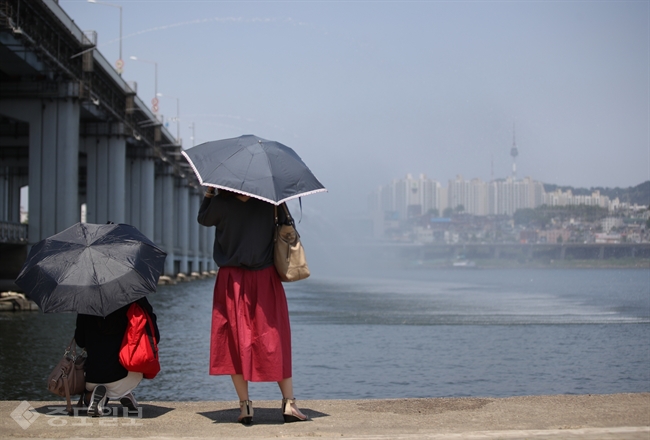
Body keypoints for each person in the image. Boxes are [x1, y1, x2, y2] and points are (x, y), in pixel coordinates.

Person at [197, 186, 309, 425]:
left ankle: (246, 406)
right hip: (265, 278)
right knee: (275, 338)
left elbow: (203, 219)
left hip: (231, 281)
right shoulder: (270, 203)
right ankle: (289, 403)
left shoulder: (220, 204)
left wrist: (209, 194)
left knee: (233, 342)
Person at [75, 297, 160, 417]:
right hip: (125, 377)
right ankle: (124, 393)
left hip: (92, 377)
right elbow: (154, 337)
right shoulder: (134, 301)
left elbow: (80, 341)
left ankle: (99, 395)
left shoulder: (86, 304)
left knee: (87, 399)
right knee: (131, 363)